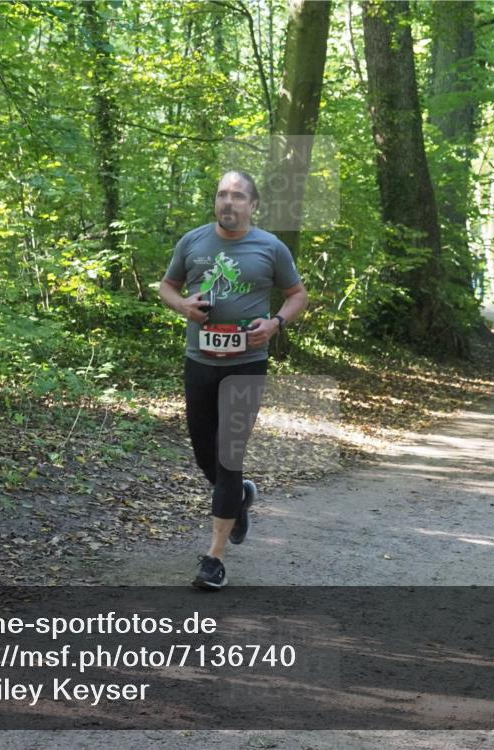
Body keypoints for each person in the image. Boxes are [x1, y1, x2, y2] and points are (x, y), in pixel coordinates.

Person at [159, 171, 308, 589]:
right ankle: (238, 496)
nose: (228, 202)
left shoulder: (270, 247)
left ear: (253, 205)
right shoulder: (192, 242)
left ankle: (214, 558)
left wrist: (276, 322)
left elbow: (298, 294)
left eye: (238, 196)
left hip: (247, 363)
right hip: (199, 361)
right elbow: (167, 286)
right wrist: (183, 305)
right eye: (222, 194)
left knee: (228, 457)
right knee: (206, 454)